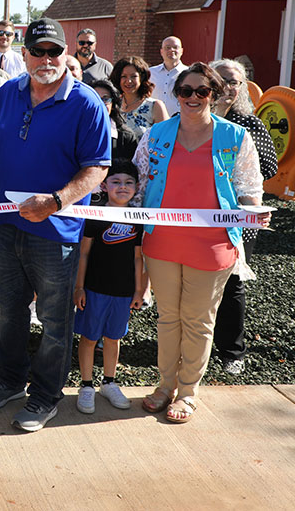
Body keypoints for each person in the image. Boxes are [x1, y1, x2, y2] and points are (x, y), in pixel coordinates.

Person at [0, 17, 111, 432]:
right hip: (6, 225)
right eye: (39, 51)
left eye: (55, 51)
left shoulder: (85, 102)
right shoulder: (8, 94)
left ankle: (46, 395)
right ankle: (12, 381)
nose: (47, 59)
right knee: (9, 312)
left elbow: (98, 168)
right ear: (25, 53)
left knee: (54, 321)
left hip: (56, 233)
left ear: (65, 53)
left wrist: (55, 201)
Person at [134, 62, 269, 423]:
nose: (192, 97)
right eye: (185, 91)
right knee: (168, 318)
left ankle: (188, 392)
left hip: (212, 246)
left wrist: (254, 211)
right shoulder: (156, 135)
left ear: (215, 93)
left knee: (198, 320)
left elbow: (250, 189)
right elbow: (140, 184)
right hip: (161, 242)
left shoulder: (236, 137)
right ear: (175, 94)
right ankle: (165, 386)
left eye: (201, 91)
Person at [211, 58, 278, 375]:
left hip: (237, 219)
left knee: (233, 284)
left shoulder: (250, 125)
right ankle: (197, 345)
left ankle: (231, 351)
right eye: (222, 79)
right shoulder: (196, 119)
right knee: (194, 282)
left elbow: (268, 167)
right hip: (198, 215)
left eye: (234, 81)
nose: (228, 86)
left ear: (242, 88)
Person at [73, 159, 147, 414]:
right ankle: (85, 385)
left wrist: (139, 291)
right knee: (89, 338)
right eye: (116, 182)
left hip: (123, 292)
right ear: (104, 185)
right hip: (94, 289)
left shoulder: (138, 218)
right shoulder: (94, 214)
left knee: (113, 338)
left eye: (128, 182)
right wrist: (79, 287)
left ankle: (109, 382)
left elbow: (139, 257)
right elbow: (83, 254)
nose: (122, 187)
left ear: (137, 187)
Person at [110, 55, 168, 137]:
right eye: (124, 76)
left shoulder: (155, 106)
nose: (129, 81)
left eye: (133, 76)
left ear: (142, 78)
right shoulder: (112, 105)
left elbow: (165, 139)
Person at [91, 79, 139, 161]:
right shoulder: (76, 131)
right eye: (95, 99)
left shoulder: (126, 136)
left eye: (105, 99)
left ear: (113, 104)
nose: (100, 104)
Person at [149, 36, 188, 118]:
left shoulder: (189, 73)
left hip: (179, 122)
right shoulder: (150, 73)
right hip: (154, 122)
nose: (171, 50)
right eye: (168, 47)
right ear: (161, 52)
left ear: (181, 51)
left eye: (175, 47)